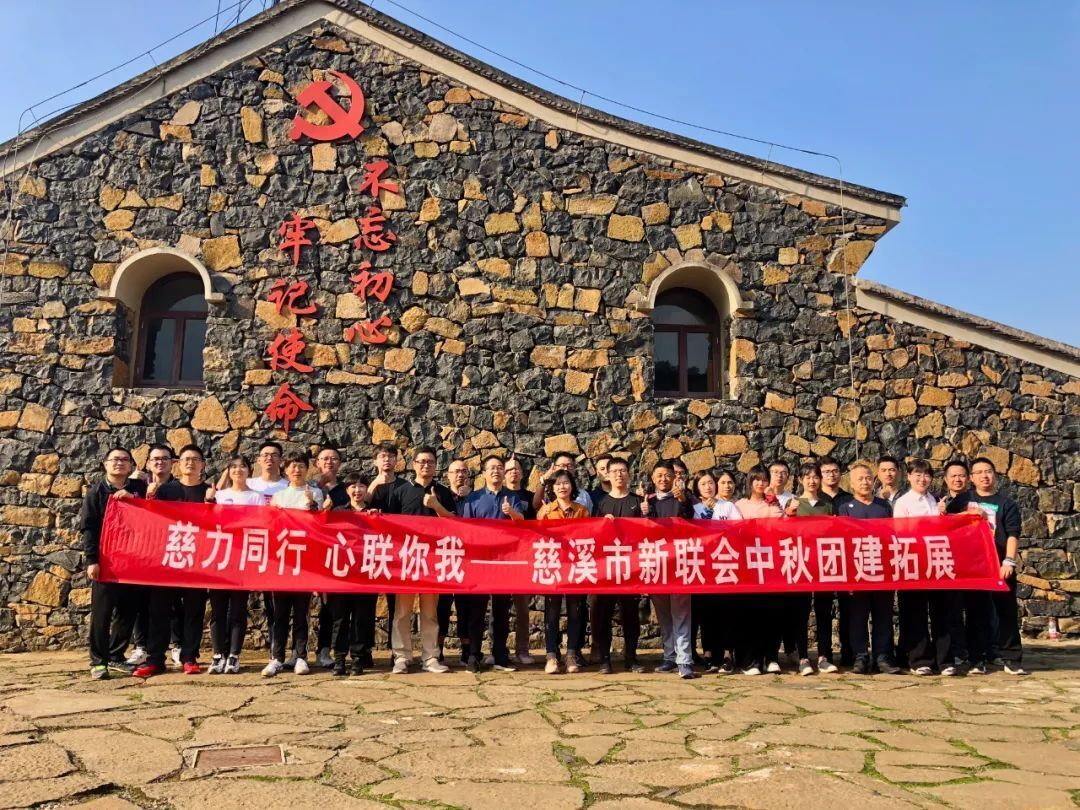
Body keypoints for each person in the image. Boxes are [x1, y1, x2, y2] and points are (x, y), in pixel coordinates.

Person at [134, 444, 211, 678]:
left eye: (195, 459)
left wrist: (211, 505)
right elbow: (149, 521)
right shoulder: (165, 490)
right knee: (159, 610)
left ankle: (189, 657)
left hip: (197, 561)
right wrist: (149, 498)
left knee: (194, 611)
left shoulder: (209, 492)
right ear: (178, 464)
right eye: (186, 459)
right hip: (167, 560)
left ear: (202, 465)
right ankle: (155, 659)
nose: (190, 463)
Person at [387, 448, 455, 674]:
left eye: (431, 462)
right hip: (406, 559)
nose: (426, 465)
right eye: (422, 461)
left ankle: (430, 657)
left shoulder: (443, 492)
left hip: (433, 560)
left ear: (436, 465)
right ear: (414, 464)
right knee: (402, 612)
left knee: (430, 612)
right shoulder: (401, 491)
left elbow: (455, 522)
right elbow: (388, 523)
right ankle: (401, 657)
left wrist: (436, 506)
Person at [83, 447, 147, 679]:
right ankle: (98, 661)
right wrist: (92, 560)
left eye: (124, 460)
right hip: (107, 561)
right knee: (102, 613)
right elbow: (89, 528)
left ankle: (115, 655)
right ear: (105, 464)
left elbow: (152, 512)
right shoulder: (96, 492)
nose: (119, 463)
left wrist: (134, 500)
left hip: (133, 561)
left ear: (131, 465)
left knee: (128, 611)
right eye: (115, 459)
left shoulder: (139, 488)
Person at [459, 455, 525, 673]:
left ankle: (500, 655)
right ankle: (474, 655)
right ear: (484, 473)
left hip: (504, 563)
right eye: (492, 468)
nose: (496, 471)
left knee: (501, 611)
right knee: (476, 611)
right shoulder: (474, 498)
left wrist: (511, 513)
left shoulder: (512, 497)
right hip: (479, 563)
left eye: (499, 468)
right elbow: (465, 530)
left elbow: (522, 524)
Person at [263, 452, 324, 677]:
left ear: (307, 469)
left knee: (301, 614)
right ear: (285, 470)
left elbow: (319, 524)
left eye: (300, 466)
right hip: (282, 561)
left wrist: (312, 505)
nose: (296, 470)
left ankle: (300, 656)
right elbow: (271, 524)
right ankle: (276, 658)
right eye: (292, 466)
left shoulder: (315, 493)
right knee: (279, 614)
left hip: (305, 562)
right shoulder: (278, 496)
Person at [893, 459, 956, 676]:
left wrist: (942, 516)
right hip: (913, 564)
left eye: (927, 475)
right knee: (915, 613)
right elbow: (900, 533)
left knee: (942, 613)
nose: (922, 479)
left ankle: (945, 660)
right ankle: (920, 660)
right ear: (909, 477)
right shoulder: (903, 503)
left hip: (937, 562)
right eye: (918, 475)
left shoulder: (937, 501)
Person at [966, 457, 1025, 675]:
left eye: (988, 471)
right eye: (979, 472)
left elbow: (1013, 534)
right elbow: (949, 521)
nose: (984, 476)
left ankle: (1011, 658)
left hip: (1000, 565)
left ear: (995, 475)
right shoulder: (964, 500)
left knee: (1006, 613)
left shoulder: (1006, 503)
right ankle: (976, 659)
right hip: (973, 567)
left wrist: (1009, 560)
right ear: (972, 478)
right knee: (976, 614)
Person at [839, 462, 900, 675]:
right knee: (858, 616)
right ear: (851, 483)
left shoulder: (884, 507)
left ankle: (883, 656)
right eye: (860, 479)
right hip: (857, 571)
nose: (864, 482)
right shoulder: (845, 508)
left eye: (867, 478)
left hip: (882, 570)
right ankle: (860, 656)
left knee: (883, 615)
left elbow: (893, 536)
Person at [208, 455, 263, 674]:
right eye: (233, 467)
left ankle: (233, 655)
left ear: (249, 470)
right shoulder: (219, 495)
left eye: (242, 467)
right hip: (219, 557)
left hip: (243, 559)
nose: (238, 470)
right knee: (217, 609)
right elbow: (208, 521)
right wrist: (209, 501)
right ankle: (217, 654)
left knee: (238, 610)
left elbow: (261, 524)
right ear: (228, 471)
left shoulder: (256, 497)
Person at [641, 463, 695, 678]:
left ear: (674, 477)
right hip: (657, 564)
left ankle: (684, 660)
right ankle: (669, 656)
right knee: (664, 615)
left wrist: (683, 500)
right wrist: (644, 513)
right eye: (659, 475)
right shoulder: (649, 501)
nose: (663, 479)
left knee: (681, 614)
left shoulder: (683, 498)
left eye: (667, 475)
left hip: (680, 563)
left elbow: (691, 519)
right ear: (653, 479)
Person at [124, 444, 175, 668]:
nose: (160, 462)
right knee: (139, 602)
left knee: (169, 604)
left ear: (172, 463)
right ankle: (141, 646)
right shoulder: (135, 486)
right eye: (155, 459)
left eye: (164, 458)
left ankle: (176, 646)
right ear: (147, 463)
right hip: (141, 552)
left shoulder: (178, 487)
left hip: (170, 550)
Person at [591, 457, 645, 674]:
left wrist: (646, 513)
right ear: (607, 475)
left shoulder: (638, 501)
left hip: (631, 568)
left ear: (629, 474)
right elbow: (592, 535)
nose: (618, 475)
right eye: (614, 471)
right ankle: (604, 659)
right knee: (603, 614)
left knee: (630, 615)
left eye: (622, 470)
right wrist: (602, 524)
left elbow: (648, 532)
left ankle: (631, 657)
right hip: (607, 568)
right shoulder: (601, 503)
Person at [538, 469, 590, 674]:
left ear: (572, 486)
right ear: (552, 488)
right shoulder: (545, 511)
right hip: (553, 567)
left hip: (575, 567)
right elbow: (538, 539)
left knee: (575, 612)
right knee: (551, 613)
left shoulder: (581, 511)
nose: (562, 487)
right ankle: (551, 655)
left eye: (566, 482)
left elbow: (588, 537)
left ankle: (571, 655)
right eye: (558, 483)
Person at [733, 465, 784, 675]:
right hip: (747, 566)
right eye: (757, 479)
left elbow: (781, 526)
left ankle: (770, 657)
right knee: (748, 614)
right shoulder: (740, 505)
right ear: (750, 481)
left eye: (764, 480)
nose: (761, 483)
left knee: (770, 613)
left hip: (770, 565)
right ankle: (750, 659)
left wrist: (774, 503)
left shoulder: (772, 504)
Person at [788, 461, 837, 674]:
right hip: (801, 563)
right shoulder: (794, 503)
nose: (812, 481)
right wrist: (790, 514)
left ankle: (824, 656)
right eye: (807, 477)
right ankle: (803, 657)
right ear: (800, 480)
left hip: (824, 564)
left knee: (824, 611)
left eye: (815, 476)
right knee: (801, 612)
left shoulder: (828, 505)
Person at [328, 472, 376, 676]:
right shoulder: (338, 512)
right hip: (342, 575)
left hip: (365, 576)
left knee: (361, 619)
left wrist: (377, 520)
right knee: (339, 619)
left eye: (361, 486)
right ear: (347, 490)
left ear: (367, 490)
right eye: (353, 487)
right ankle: (339, 658)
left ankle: (358, 658)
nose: (357, 490)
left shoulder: (375, 513)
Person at [940, 458, 980, 672]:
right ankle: (956, 652)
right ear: (946, 480)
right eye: (953, 476)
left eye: (962, 475)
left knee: (976, 610)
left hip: (972, 562)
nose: (957, 479)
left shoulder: (975, 499)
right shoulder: (940, 501)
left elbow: (977, 518)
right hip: (947, 563)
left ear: (968, 479)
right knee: (951, 611)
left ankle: (977, 654)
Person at [314, 446, 349, 668]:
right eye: (325, 458)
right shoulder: (307, 488)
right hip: (313, 552)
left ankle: (332, 651)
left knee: (334, 606)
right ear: (317, 462)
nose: (329, 462)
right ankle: (310, 650)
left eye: (334, 458)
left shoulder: (347, 489)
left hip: (339, 554)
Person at [817, 455, 852, 667]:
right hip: (821, 562)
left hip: (847, 561)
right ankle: (824, 653)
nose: (831, 475)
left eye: (834, 471)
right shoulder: (815, 499)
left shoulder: (849, 499)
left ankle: (848, 652)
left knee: (848, 608)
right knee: (823, 610)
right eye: (826, 472)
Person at [438, 458, 473, 665]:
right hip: (443, 557)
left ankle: (467, 650)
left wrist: (467, 498)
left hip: (468, 559)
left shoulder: (474, 497)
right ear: (448, 475)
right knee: (441, 606)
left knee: (465, 607)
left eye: (463, 471)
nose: (460, 475)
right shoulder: (440, 496)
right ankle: (438, 649)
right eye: (455, 471)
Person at [504, 457, 537, 666]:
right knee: (498, 608)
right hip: (500, 559)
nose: (513, 472)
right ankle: (498, 648)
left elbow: (536, 525)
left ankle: (522, 649)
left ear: (522, 474)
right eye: (509, 469)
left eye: (516, 469)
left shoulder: (530, 498)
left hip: (523, 559)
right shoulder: (498, 495)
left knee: (522, 609)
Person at [709, 470, 742, 675]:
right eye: (722, 482)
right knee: (712, 613)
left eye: (730, 482)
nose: (727, 486)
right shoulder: (700, 506)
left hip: (730, 564)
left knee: (729, 610)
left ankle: (728, 654)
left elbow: (741, 530)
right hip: (706, 566)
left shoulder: (735, 506)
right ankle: (713, 655)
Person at [691, 471, 720, 670]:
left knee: (716, 610)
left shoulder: (726, 506)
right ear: (697, 488)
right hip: (698, 564)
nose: (708, 487)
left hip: (722, 563)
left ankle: (718, 652)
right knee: (699, 610)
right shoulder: (692, 507)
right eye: (703, 484)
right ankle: (701, 652)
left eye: (710, 483)